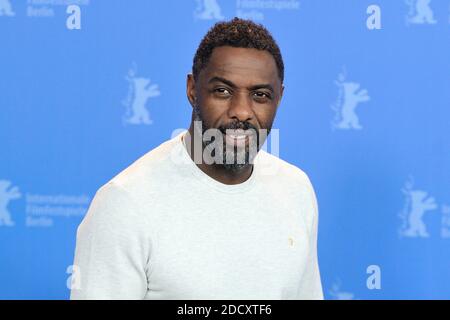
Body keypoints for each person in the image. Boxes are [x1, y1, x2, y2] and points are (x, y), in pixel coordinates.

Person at [70, 17, 323, 300]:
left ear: (279, 99)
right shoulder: (125, 202)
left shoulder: (296, 190)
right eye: (223, 91)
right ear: (192, 90)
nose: (241, 111)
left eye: (260, 95)